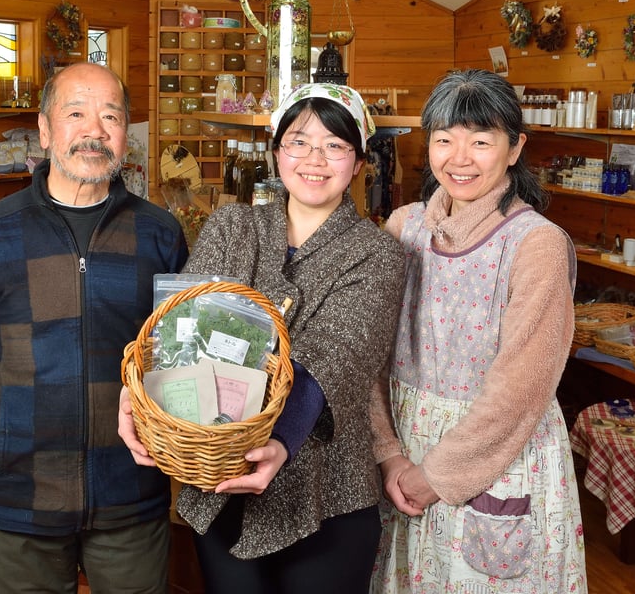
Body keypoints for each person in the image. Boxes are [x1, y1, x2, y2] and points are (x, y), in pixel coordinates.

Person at [120, 82, 406, 594]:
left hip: (326, 498)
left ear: (359, 162)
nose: (315, 159)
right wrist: (139, 398)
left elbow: (335, 356)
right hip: (221, 487)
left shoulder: (378, 254)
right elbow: (180, 329)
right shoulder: (232, 226)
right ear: (277, 152)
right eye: (299, 141)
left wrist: (279, 441)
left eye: (335, 146)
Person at [0, 63, 189, 594]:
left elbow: (173, 353)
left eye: (111, 116)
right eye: (76, 113)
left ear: (125, 134)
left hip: (130, 487)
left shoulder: (160, 233)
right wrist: (6, 433)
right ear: (46, 129)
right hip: (21, 492)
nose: (94, 130)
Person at [369, 68, 587, 593]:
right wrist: (389, 453)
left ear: (514, 149)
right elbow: (371, 352)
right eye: (444, 139)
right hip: (402, 460)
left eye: (481, 141)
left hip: (494, 462)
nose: (458, 158)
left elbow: (520, 388)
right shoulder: (404, 226)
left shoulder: (537, 244)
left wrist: (435, 476)